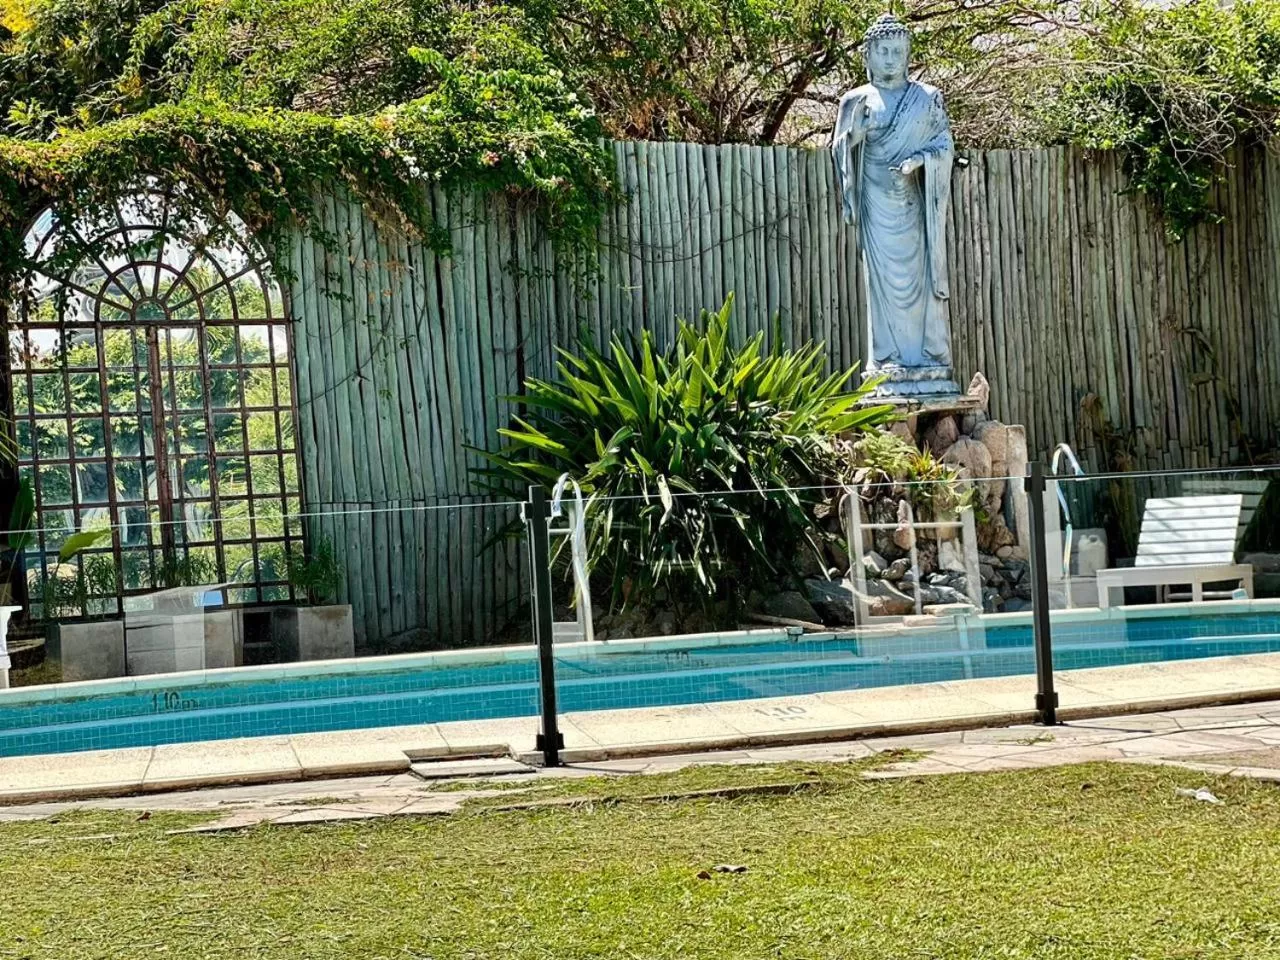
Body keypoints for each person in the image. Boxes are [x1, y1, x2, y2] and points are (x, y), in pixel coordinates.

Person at [831, 13, 956, 394]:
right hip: (875, 203)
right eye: (882, 51)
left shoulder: (926, 98)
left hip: (914, 206)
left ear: (908, 54)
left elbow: (945, 145)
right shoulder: (855, 100)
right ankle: (885, 360)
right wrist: (856, 134)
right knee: (881, 286)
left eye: (897, 51)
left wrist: (921, 160)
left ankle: (930, 359)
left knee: (920, 281)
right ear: (867, 56)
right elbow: (839, 147)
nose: (890, 59)